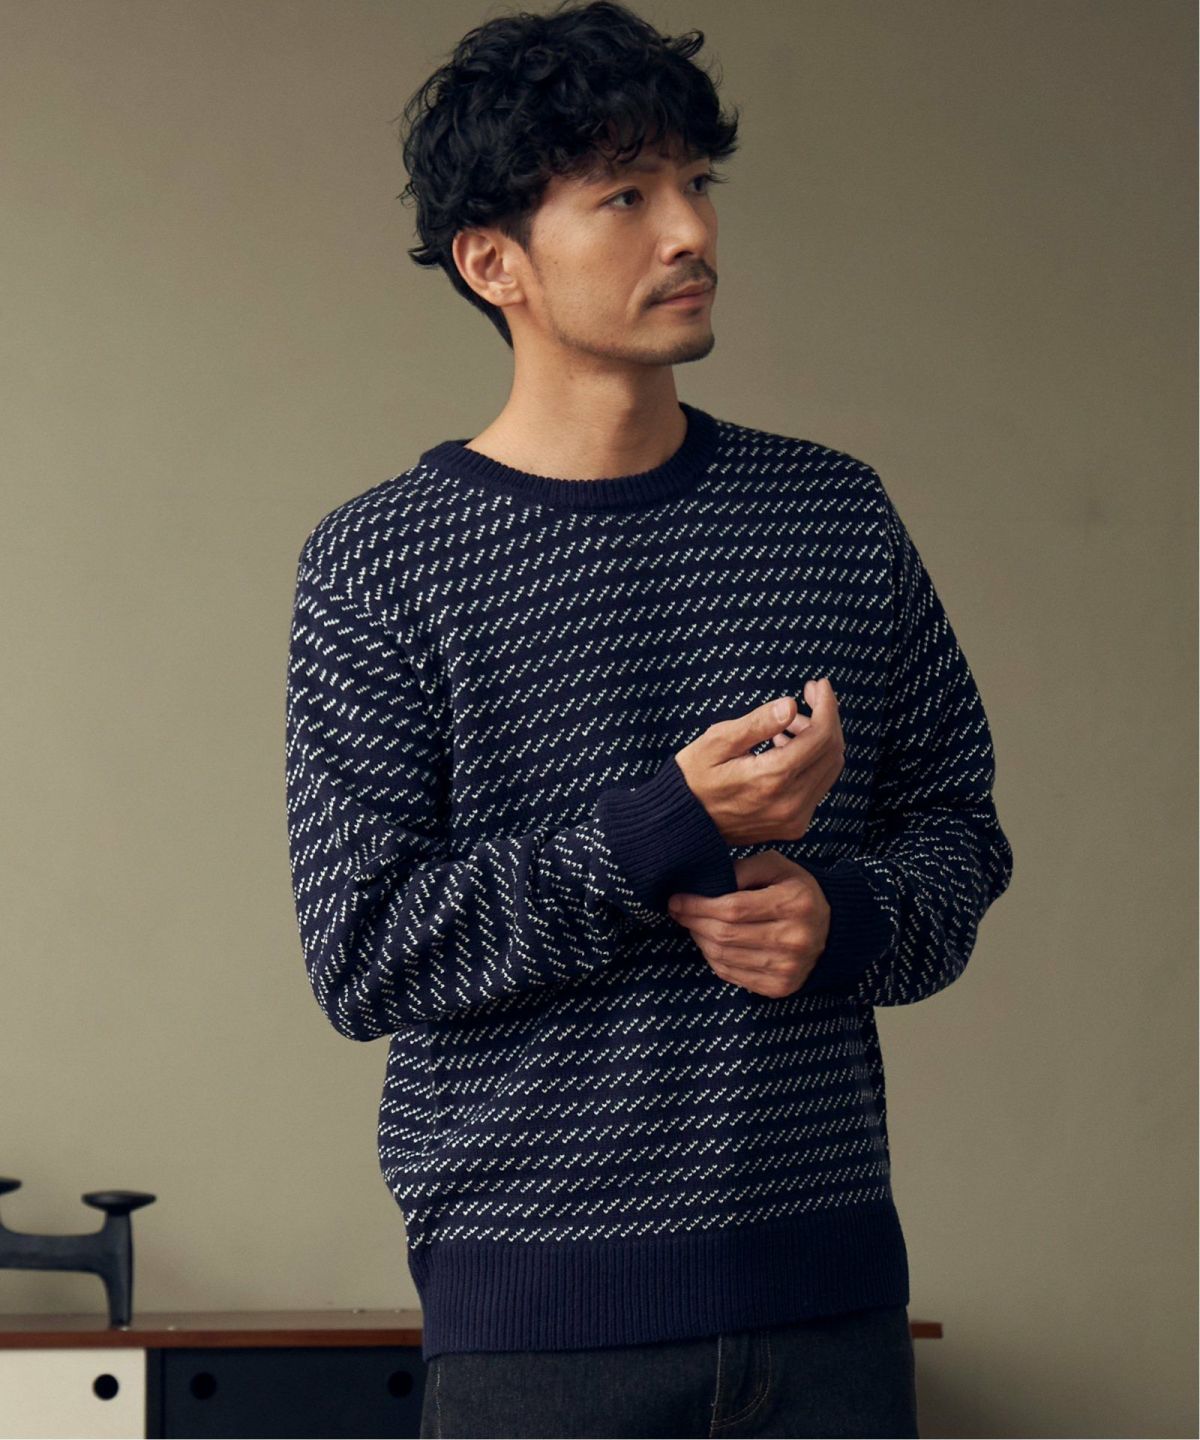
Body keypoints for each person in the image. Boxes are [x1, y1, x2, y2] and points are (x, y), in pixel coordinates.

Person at [283, 2, 1014, 1435]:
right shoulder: (382, 561)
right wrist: (665, 830)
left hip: (830, 1314)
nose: (689, 229)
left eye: (696, 182)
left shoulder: (831, 514)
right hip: (541, 1338)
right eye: (625, 195)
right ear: (494, 262)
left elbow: (961, 835)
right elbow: (364, 954)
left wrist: (845, 916)